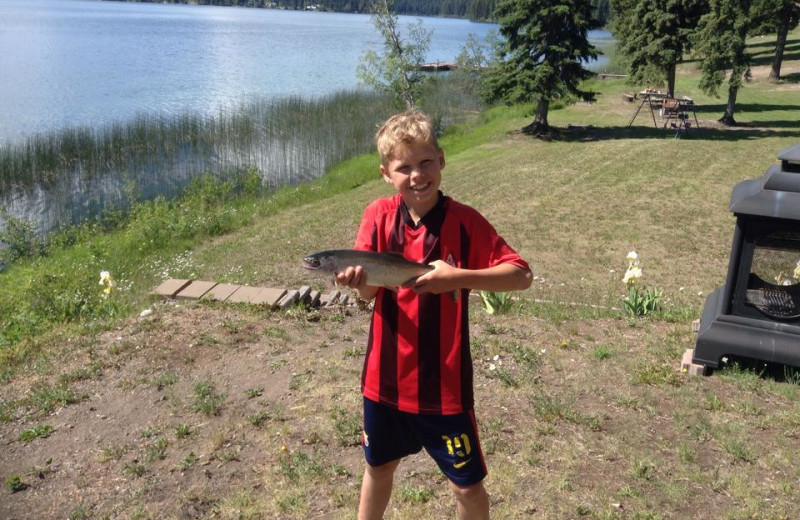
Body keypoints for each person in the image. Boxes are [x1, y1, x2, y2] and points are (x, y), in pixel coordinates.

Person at [335, 110, 532, 520]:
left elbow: (521, 275)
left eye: (425, 162)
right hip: (384, 381)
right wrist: (359, 283)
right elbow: (371, 293)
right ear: (386, 174)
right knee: (378, 468)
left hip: (444, 388)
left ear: (442, 160)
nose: (417, 175)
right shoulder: (377, 216)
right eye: (403, 167)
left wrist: (457, 277)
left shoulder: (466, 223)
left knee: (468, 487)